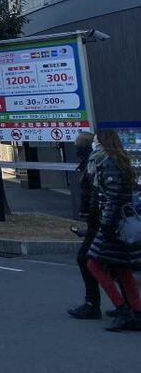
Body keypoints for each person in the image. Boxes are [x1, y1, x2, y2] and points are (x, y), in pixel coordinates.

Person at [85, 129, 141, 331]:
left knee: (93, 263)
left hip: (114, 224)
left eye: (95, 140)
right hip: (121, 223)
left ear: (102, 141)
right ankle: (136, 310)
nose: (94, 143)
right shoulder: (118, 159)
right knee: (121, 268)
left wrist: (107, 223)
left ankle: (123, 308)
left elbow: (113, 196)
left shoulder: (107, 162)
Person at [68, 132, 106, 319]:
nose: (75, 148)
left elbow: (95, 194)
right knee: (106, 263)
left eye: (77, 145)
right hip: (97, 221)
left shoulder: (94, 163)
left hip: (99, 221)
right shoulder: (89, 162)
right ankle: (125, 305)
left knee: (86, 259)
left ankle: (93, 304)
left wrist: (93, 220)